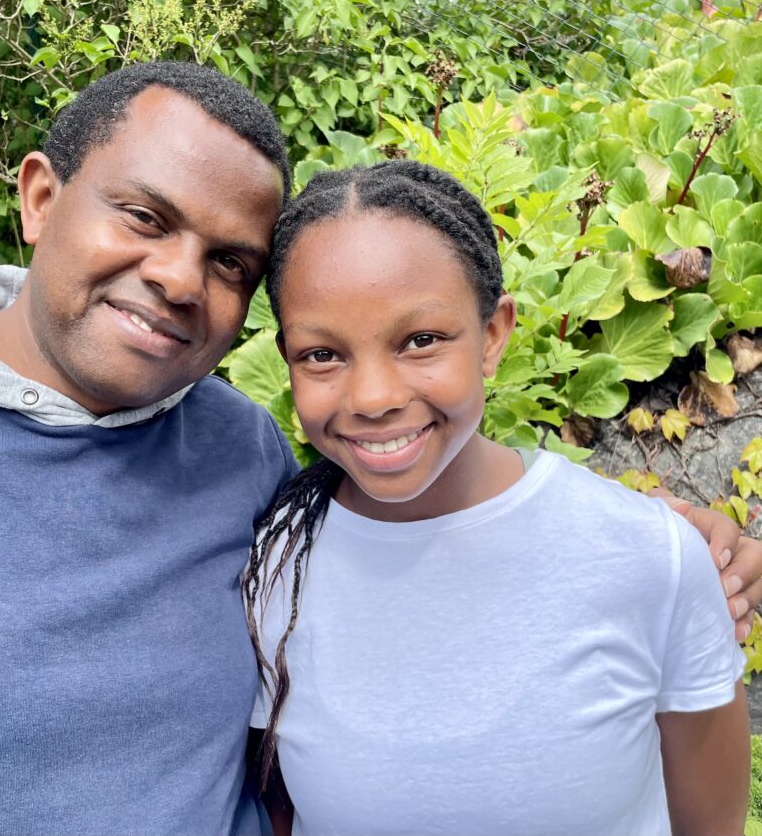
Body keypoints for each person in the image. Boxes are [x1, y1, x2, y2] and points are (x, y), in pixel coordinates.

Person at [0, 62, 755, 835]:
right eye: (144, 217)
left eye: (230, 261)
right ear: (40, 197)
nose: (179, 278)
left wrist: (653, 538)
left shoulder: (235, 451)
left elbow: (417, 489)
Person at [244, 160, 750, 836]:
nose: (373, 397)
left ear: (492, 334)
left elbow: (709, 822)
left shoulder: (646, 556)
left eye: (421, 341)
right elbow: (279, 804)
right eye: (322, 355)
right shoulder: (276, 565)